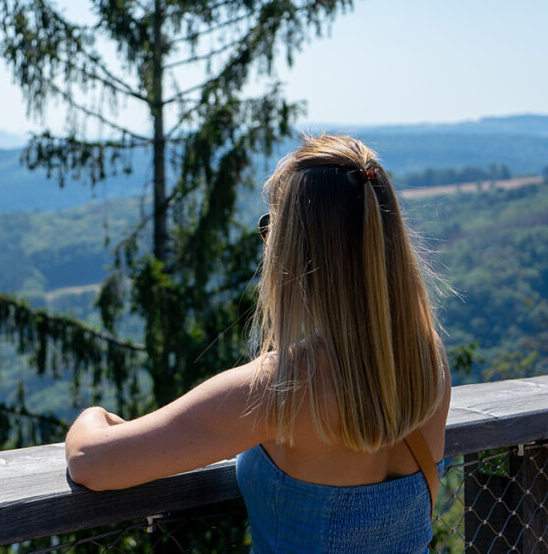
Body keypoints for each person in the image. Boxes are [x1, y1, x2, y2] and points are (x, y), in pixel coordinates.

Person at [65, 134, 451, 553]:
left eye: (272, 229)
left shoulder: (280, 388)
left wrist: (94, 413)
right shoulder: (427, 357)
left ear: (294, 251)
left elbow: (92, 462)